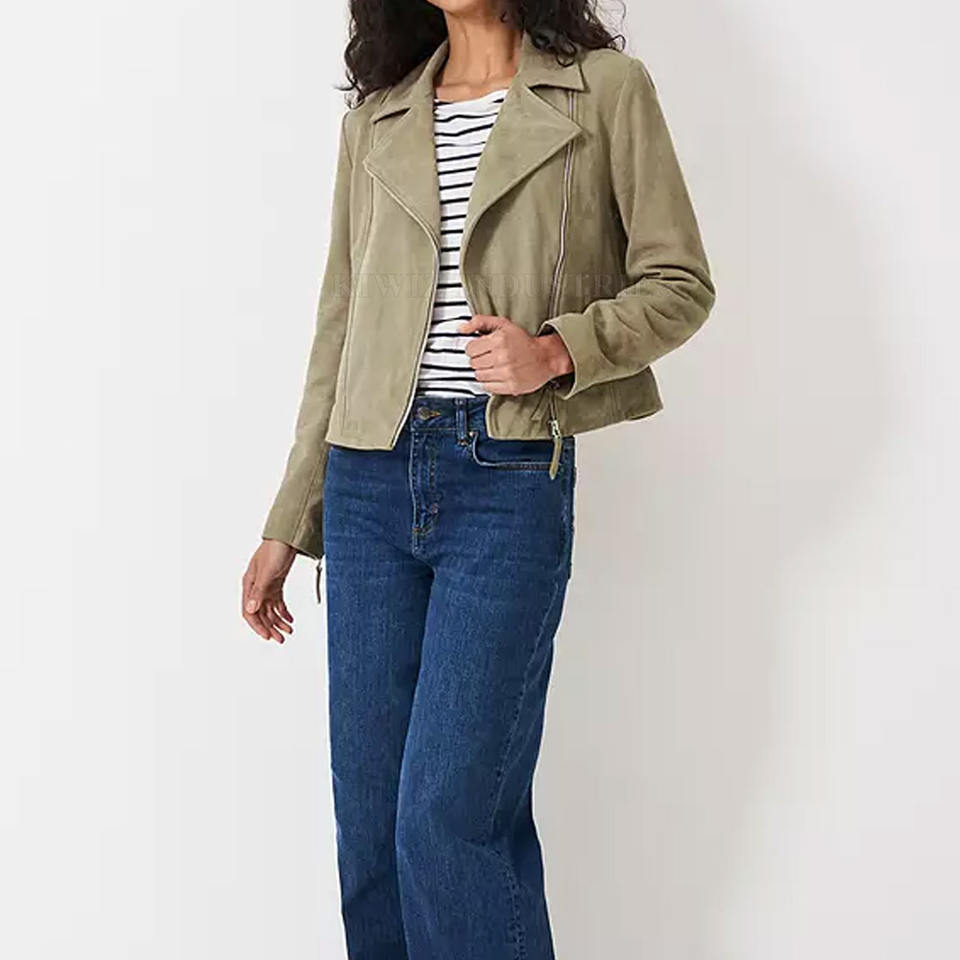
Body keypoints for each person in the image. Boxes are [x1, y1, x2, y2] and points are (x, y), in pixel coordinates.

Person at [241, 2, 715, 957]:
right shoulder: (377, 119)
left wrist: (557, 350)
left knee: (447, 820)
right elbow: (340, 327)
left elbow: (680, 282)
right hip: (367, 480)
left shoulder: (603, 91)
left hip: (506, 478)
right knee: (372, 825)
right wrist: (291, 518)